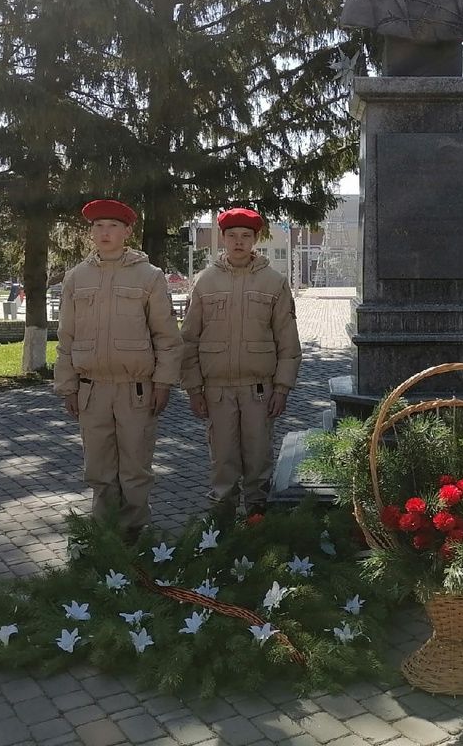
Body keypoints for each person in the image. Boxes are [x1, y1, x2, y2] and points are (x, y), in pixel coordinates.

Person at [54, 200, 183, 541]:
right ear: (91, 233)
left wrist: (163, 383)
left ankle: (133, 534)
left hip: (135, 389)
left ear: (127, 232)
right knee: (98, 467)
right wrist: (67, 386)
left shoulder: (149, 276)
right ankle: (104, 533)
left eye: (112, 226)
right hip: (91, 389)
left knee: (135, 467)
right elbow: (66, 336)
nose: (104, 232)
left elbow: (166, 336)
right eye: (98, 227)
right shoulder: (76, 277)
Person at [180, 208, 302, 519]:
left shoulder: (274, 282)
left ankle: (257, 521)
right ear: (223, 238)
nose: (238, 242)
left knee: (258, 459)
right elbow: (189, 340)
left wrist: (283, 388)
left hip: (258, 391)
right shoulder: (205, 282)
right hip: (217, 390)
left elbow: (287, 342)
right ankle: (222, 524)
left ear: (255, 239)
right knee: (223, 461)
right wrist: (194, 389)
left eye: (245, 236)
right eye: (232, 235)